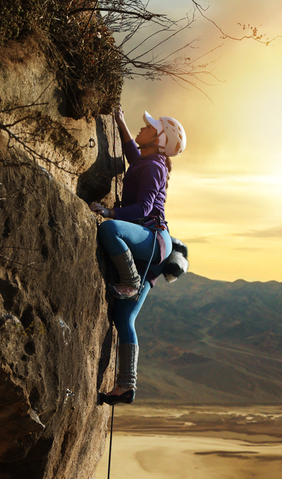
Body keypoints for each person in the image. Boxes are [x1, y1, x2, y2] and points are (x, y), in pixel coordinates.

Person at [90, 107, 186, 405]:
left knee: (110, 230)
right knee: (123, 316)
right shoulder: (149, 162)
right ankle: (126, 386)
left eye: (150, 127)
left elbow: (144, 210)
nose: (143, 128)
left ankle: (130, 280)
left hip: (152, 240)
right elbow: (134, 158)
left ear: (158, 140)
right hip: (155, 249)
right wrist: (120, 123)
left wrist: (109, 212)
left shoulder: (154, 167)